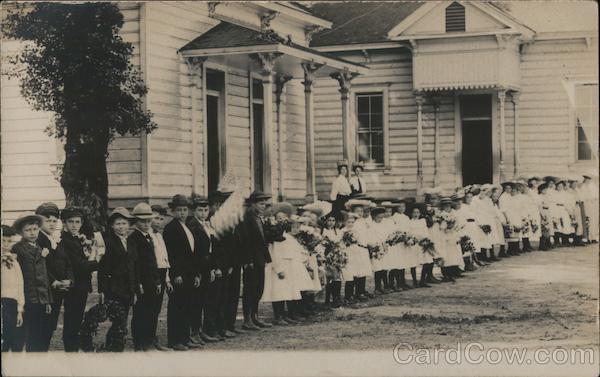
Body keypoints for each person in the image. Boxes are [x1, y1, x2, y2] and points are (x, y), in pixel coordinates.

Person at [80, 208, 139, 352]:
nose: (121, 227)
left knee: (123, 318)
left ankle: (115, 344)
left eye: (124, 223)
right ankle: (113, 345)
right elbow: (103, 269)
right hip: (114, 287)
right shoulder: (108, 242)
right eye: (118, 223)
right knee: (116, 318)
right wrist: (102, 290)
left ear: (129, 225)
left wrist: (135, 288)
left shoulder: (131, 243)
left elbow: (134, 267)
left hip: (128, 288)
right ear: (112, 226)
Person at [163, 194, 202, 351]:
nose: (182, 213)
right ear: (173, 211)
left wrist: (196, 274)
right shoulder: (171, 228)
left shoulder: (188, 227)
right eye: (179, 210)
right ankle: (175, 340)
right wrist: (176, 274)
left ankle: (186, 338)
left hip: (189, 273)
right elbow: (172, 254)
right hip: (179, 275)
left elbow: (192, 254)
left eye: (185, 210)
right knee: (177, 307)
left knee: (188, 305)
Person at [57, 207, 99, 352]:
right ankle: (71, 350)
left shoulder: (76, 239)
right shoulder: (65, 241)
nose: (74, 225)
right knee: (72, 320)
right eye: (71, 222)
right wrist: (94, 258)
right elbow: (80, 266)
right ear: (64, 223)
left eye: (77, 222)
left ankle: (72, 348)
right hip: (74, 287)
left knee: (76, 319)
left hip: (81, 286)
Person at [11, 213, 52, 352]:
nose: (32, 233)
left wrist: (47, 300)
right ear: (21, 232)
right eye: (28, 230)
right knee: (24, 334)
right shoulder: (18, 249)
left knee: (37, 334)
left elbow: (44, 276)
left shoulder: (39, 248)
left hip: (40, 299)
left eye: (35, 229)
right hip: (26, 298)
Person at [35, 202, 73, 350]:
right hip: (45, 291)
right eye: (47, 220)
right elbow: (41, 266)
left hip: (58, 291)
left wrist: (69, 279)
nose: (51, 224)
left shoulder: (56, 239)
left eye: (54, 220)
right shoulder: (38, 240)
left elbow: (67, 262)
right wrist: (54, 281)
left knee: (50, 327)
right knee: (42, 328)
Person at [208, 189, 242, 337]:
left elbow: (234, 245)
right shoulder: (211, 223)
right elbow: (215, 248)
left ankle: (228, 324)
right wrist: (220, 266)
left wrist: (233, 264)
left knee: (230, 296)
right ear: (214, 206)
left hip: (231, 265)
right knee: (217, 298)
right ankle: (216, 327)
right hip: (219, 266)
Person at [187, 195, 221, 343]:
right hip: (199, 268)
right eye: (200, 210)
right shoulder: (192, 226)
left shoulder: (207, 225)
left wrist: (213, 267)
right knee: (196, 302)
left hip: (208, 267)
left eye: (206, 210)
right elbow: (195, 252)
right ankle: (194, 331)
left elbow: (211, 249)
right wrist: (198, 271)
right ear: (194, 211)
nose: (203, 213)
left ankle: (203, 331)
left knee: (207, 300)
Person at [129, 203, 162, 351]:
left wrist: (157, 281)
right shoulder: (134, 238)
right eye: (142, 221)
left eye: (149, 221)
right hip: (141, 282)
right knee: (140, 313)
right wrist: (138, 283)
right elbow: (135, 264)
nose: (146, 224)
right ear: (135, 221)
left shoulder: (149, 237)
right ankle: (139, 342)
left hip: (151, 281)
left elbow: (153, 261)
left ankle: (149, 340)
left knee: (151, 311)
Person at [238, 191, 273, 331]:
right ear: (252, 204)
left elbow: (263, 238)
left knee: (259, 288)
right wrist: (248, 260)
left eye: (264, 203)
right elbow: (245, 241)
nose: (263, 206)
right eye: (260, 203)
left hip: (260, 258)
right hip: (251, 259)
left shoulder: (259, 218)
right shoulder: (246, 218)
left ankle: (255, 316)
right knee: (250, 289)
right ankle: (247, 319)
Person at [148, 204, 173, 350]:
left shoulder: (159, 235)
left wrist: (167, 278)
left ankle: (152, 337)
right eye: (156, 218)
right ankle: (146, 339)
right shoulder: (149, 235)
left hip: (162, 273)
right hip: (153, 274)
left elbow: (164, 258)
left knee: (156, 308)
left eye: (161, 219)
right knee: (149, 307)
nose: (158, 221)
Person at [2, 225, 25, 352]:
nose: (5, 244)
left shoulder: (14, 262)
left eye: (9, 241)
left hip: (11, 304)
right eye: (2, 240)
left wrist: (19, 310)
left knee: (12, 340)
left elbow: (19, 285)